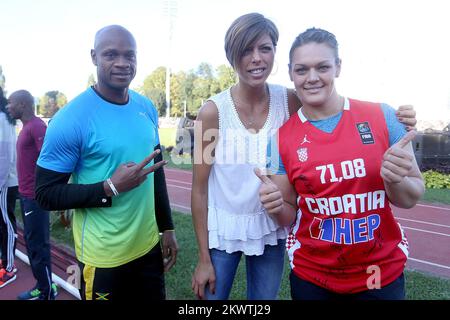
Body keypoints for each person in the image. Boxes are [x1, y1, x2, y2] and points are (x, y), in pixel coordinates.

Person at [191, 13, 417, 300]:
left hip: (271, 229)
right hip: (224, 232)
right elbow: (199, 189)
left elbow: (331, 104)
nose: (256, 58)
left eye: (265, 48)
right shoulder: (211, 113)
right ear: (231, 55)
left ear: (275, 52)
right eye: (246, 50)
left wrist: (396, 117)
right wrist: (202, 258)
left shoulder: (289, 99)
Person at [257, 27, 425, 300]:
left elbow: (411, 196)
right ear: (290, 73)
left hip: (379, 272)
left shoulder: (382, 116)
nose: (312, 78)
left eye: (322, 67)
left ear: (338, 67)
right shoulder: (279, 141)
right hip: (313, 276)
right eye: (301, 70)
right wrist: (275, 206)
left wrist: (396, 179)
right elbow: (288, 215)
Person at [35, 25, 178, 300]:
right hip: (103, 259)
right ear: (94, 57)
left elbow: (154, 172)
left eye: (130, 55)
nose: (122, 63)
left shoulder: (146, 107)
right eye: (111, 54)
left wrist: (167, 227)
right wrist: (109, 187)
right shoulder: (71, 119)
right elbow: (45, 194)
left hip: (148, 248)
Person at [6, 89, 57, 299]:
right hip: (27, 195)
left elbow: (49, 160)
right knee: (34, 243)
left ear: (22, 105)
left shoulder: (36, 126)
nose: (8, 107)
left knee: (38, 246)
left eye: (11, 104)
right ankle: (45, 285)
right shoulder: (26, 127)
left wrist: (43, 192)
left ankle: (45, 292)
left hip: (35, 198)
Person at [0, 87, 19, 288]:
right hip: (4, 180)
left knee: (6, 224)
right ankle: (5, 260)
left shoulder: (2, 118)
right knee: (2, 223)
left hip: (5, 181)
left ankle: (10, 267)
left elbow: (4, 155)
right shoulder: (4, 117)